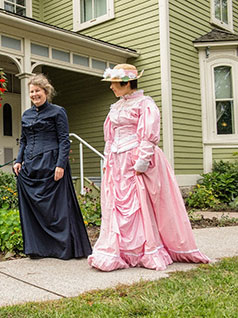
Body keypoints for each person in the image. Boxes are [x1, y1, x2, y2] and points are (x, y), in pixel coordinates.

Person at [88, 64, 210, 271]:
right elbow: (110, 137)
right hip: (117, 162)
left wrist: (141, 162)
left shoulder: (145, 104)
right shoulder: (115, 107)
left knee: (139, 203)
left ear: (126, 83)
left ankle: (142, 249)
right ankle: (120, 250)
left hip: (134, 159)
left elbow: (148, 135)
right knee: (116, 205)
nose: (111, 88)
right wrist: (108, 159)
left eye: (114, 84)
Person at [13, 73, 92, 260]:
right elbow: (24, 140)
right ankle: (39, 248)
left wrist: (60, 164)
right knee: (36, 209)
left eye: (37, 91)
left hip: (51, 164)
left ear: (46, 91)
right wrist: (18, 160)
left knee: (58, 209)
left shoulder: (57, 111)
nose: (34, 94)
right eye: (31, 91)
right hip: (31, 166)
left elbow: (64, 140)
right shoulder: (27, 115)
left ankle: (62, 248)